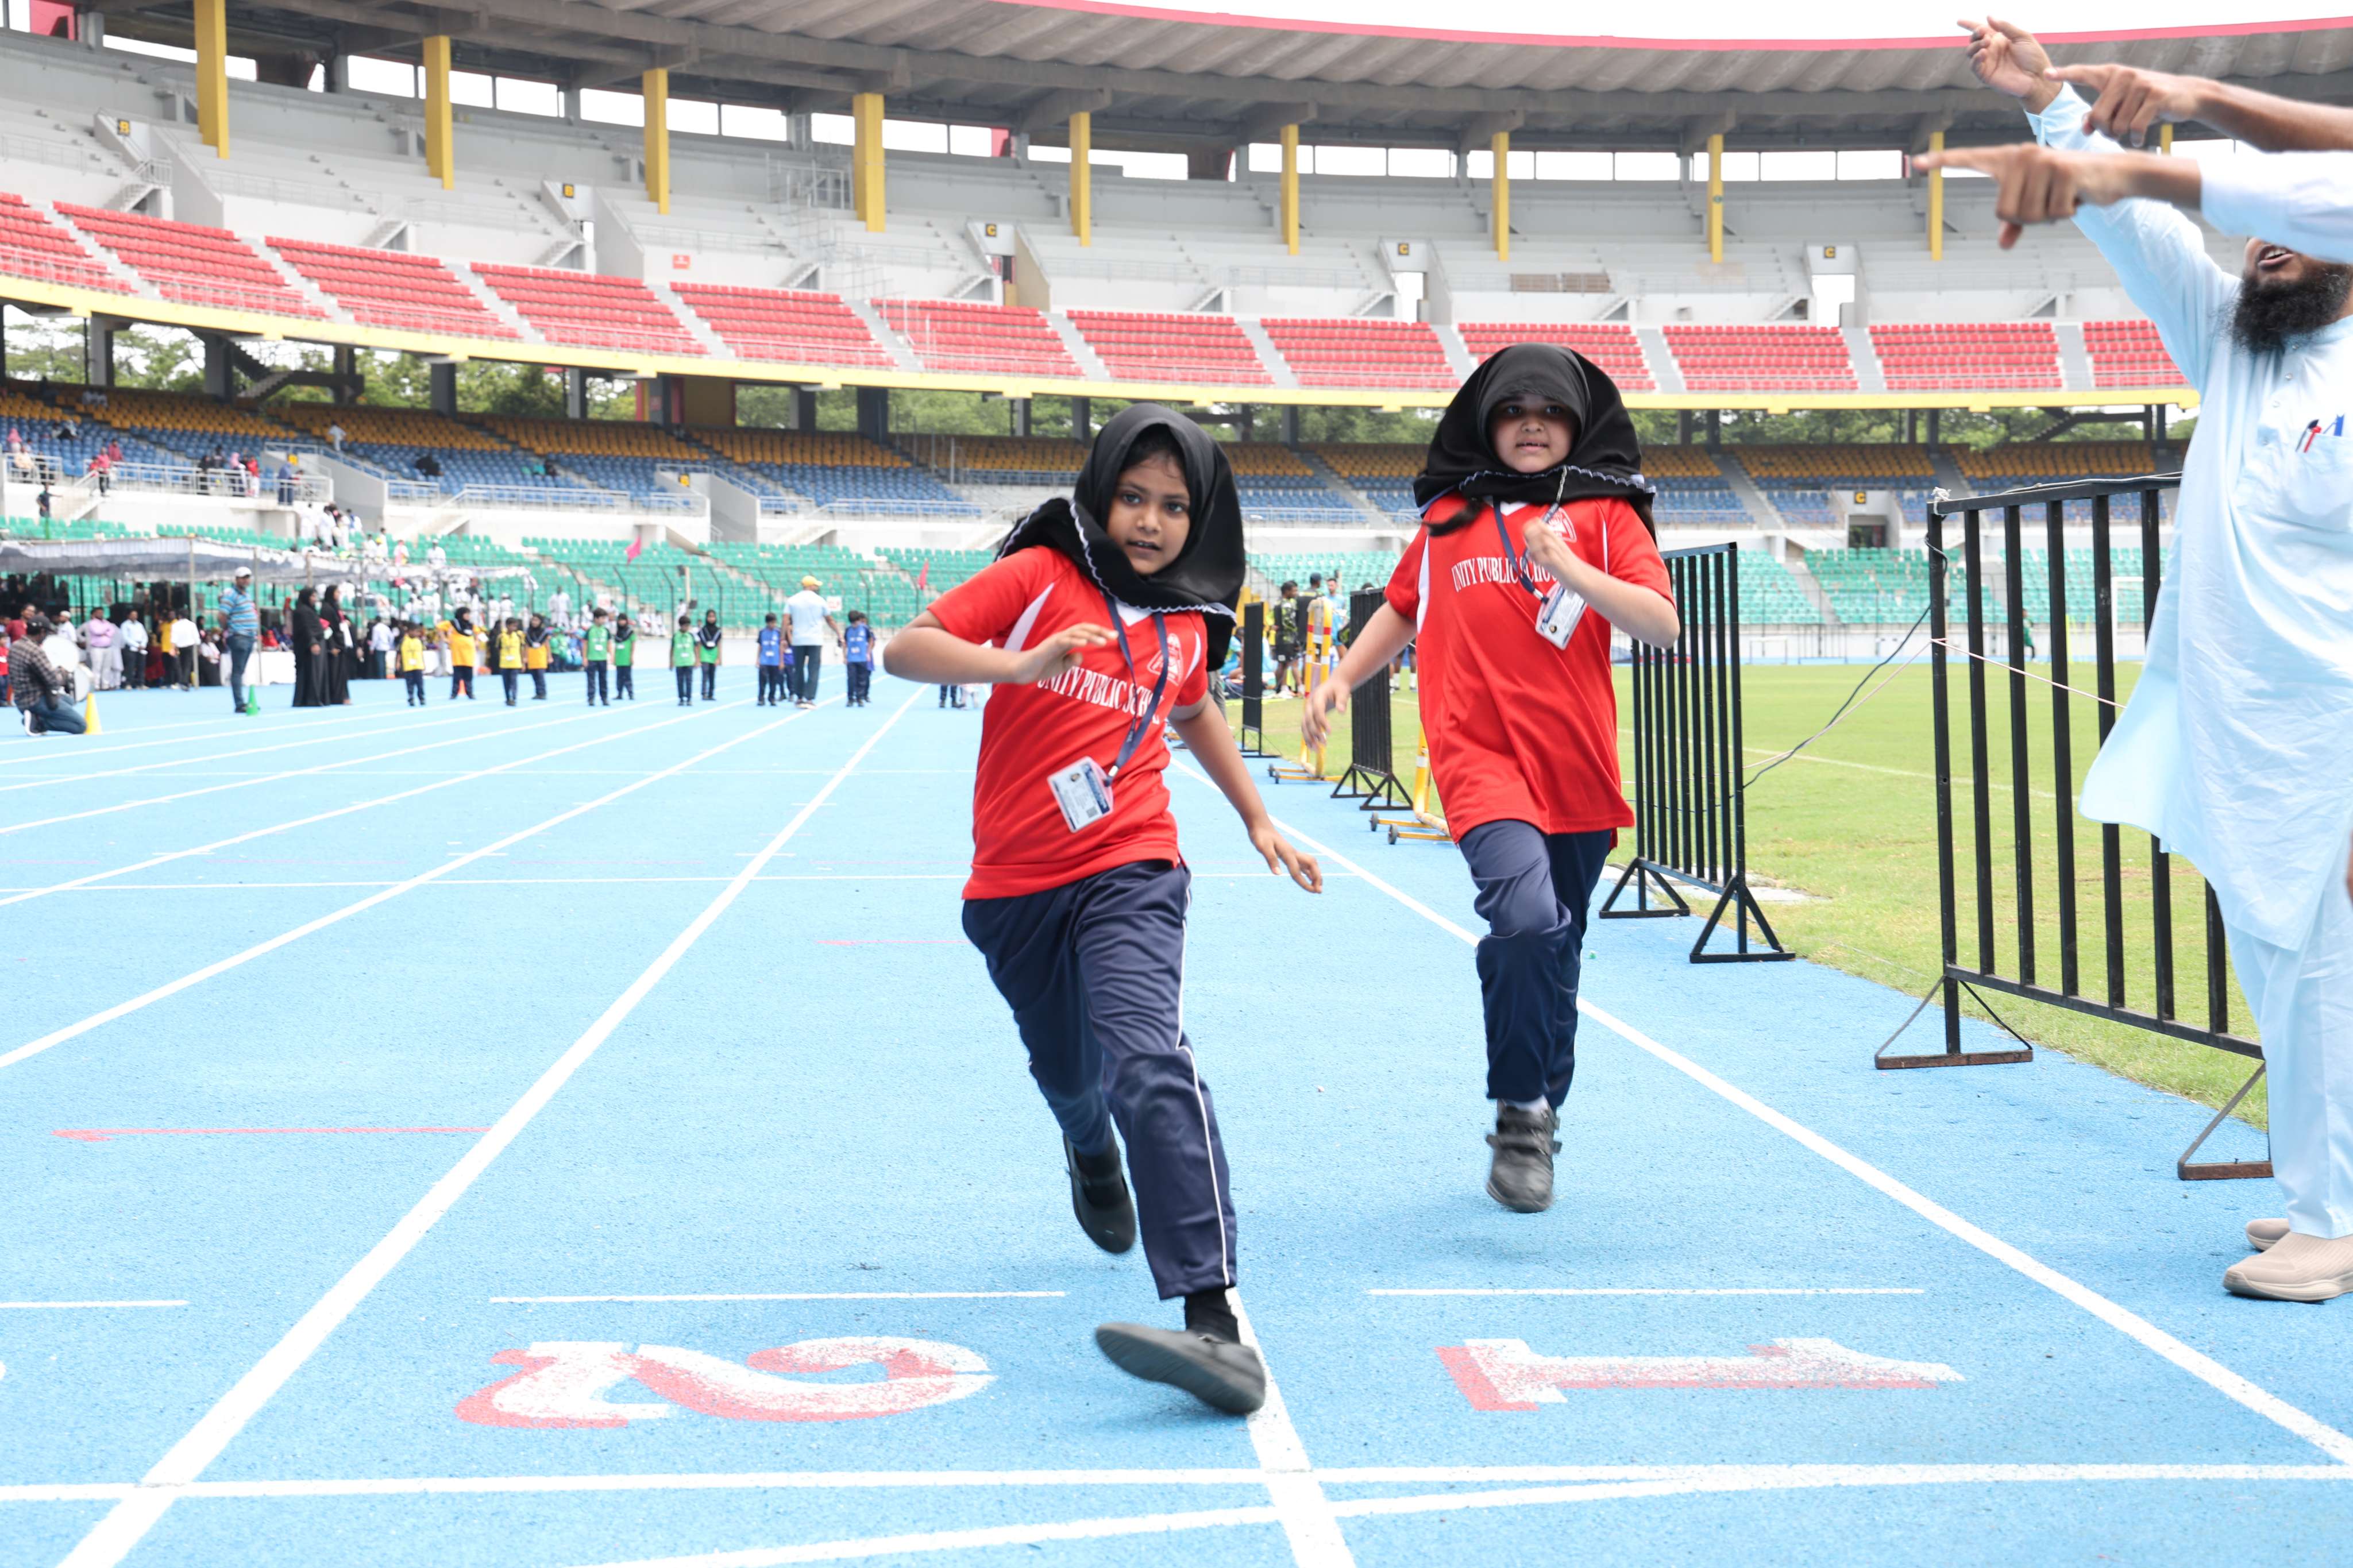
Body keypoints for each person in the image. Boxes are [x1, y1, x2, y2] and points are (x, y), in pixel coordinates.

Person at [1932, 18, 2353, 1304]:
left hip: (2333, 735)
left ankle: (2337, 1218)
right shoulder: (2234, 341)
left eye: (2290, 227)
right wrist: (2048, 103)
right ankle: (2315, 1192)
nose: (2262, 247)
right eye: (2253, 230)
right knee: (2279, 963)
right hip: (2239, 728)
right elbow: (2141, 231)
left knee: (2323, 970)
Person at [882, 404, 1322, 1416]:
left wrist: (1257, 816)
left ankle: (1213, 1321)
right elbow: (909, 648)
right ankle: (1088, 1146)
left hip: (1133, 865)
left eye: (1174, 505)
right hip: (1015, 887)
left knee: (1149, 1057)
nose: (1151, 521)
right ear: (1100, 496)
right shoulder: (1040, 576)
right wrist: (1016, 663)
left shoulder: (1187, 619)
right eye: (1133, 497)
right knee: (1073, 1079)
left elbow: (1194, 707)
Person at [1304, 343, 1680, 1214]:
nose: (1532, 425)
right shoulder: (1448, 517)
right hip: (1478, 760)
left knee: (1558, 952)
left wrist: (1570, 566)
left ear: (1578, 424)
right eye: (1514, 411)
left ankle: (1541, 1105)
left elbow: (1661, 625)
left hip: (1577, 768)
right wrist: (1340, 678)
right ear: (1486, 422)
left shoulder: (1608, 514)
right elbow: (1403, 608)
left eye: (1550, 412)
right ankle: (1518, 1113)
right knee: (1525, 920)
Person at [10, 613, 84, 736]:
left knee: (69, 701)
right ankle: (39, 722)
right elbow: (52, 680)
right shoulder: (35, 651)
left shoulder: (15, 646)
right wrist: (62, 674)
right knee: (80, 726)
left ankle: (35, 718)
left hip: (21, 700)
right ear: (42, 632)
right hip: (37, 700)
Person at [785, 574, 840, 709]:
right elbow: (829, 620)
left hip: (798, 640)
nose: (817, 588)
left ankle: (799, 697)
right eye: (816, 585)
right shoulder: (820, 600)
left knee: (798, 669)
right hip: (815, 640)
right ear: (811, 586)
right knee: (813, 670)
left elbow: (785, 620)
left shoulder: (793, 600)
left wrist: (782, 638)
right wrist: (839, 634)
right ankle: (809, 699)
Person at [219, 566, 260, 713]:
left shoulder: (246, 595)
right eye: (243, 578)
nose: (246, 580)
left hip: (249, 636)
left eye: (248, 577)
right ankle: (239, 703)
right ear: (237, 579)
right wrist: (229, 628)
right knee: (237, 671)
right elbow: (222, 615)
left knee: (240, 670)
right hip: (239, 635)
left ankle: (241, 702)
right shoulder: (231, 595)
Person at [288, 588, 325, 706]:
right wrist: (313, 642)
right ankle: (309, 699)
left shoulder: (310, 610)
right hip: (306, 647)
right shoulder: (302, 611)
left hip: (311, 645)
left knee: (313, 673)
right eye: (312, 596)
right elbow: (306, 628)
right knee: (308, 672)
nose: (315, 599)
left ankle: (310, 698)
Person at [1270, 582, 1303, 696]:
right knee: (1292, 663)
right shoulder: (1287, 605)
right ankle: (1298, 688)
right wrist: (1297, 635)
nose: (1296, 593)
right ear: (1287, 591)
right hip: (1288, 639)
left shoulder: (1277, 603)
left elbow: (1271, 620)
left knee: (1282, 664)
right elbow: (1289, 623)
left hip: (1280, 638)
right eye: (1294, 591)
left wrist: (1273, 626)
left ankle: (1281, 688)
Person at [320, 586, 352, 705]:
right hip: (334, 645)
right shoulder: (327, 609)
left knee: (341, 673)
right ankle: (336, 697)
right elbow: (328, 629)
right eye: (337, 592)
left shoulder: (335, 607)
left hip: (340, 643)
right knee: (334, 673)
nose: (339, 594)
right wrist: (332, 646)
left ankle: (342, 696)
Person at [842, 609, 874, 706]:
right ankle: (850, 699)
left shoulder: (865, 629)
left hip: (862, 658)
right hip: (851, 659)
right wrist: (844, 656)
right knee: (851, 679)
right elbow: (845, 643)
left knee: (862, 679)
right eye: (853, 623)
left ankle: (860, 698)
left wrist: (868, 653)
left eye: (856, 622)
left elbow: (871, 640)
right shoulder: (848, 630)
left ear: (859, 620)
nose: (855, 625)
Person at [755, 612, 786, 707]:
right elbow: (760, 646)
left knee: (774, 681)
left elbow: (781, 647)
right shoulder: (762, 632)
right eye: (771, 623)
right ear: (767, 623)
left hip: (775, 661)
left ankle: (772, 698)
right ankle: (761, 698)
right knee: (762, 681)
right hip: (764, 661)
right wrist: (758, 659)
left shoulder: (778, 632)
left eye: (774, 623)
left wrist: (781, 661)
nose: (773, 625)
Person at [82, 610, 118, 693]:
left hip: (108, 648)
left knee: (107, 667)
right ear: (94, 614)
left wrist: (104, 632)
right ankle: (96, 685)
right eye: (98, 613)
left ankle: (105, 685)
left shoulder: (106, 622)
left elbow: (112, 632)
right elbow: (97, 632)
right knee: (97, 667)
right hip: (97, 648)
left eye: (102, 613)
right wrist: (106, 630)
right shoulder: (92, 623)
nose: (101, 614)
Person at [446, 608, 477, 701]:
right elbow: (440, 627)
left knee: (469, 676)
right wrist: (445, 639)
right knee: (457, 676)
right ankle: (454, 693)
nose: (468, 616)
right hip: (458, 656)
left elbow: (478, 632)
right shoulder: (454, 623)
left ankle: (470, 693)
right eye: (466, 614)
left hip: (469, 656)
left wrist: (477, 641)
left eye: (469, 614)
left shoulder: (471, 625)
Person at [584, 608, 612, 706]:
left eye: (605, 618)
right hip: (592, 658)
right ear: (596, 619)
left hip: (603, 659)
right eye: (602, 618)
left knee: (603, 679)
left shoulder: (606, 631)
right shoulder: (590, 631)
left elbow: (609, 644)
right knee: (591, 680)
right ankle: (591, 698)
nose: (604, 620)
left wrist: (611, 655)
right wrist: (585, 658)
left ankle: (604, 698)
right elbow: (585, 645)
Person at [117, 605, 148, 692]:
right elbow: (126, 638)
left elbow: (144, 636)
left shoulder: (140, 625)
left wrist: (143, 644)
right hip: (131, 647)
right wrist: (137, 646)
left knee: (141, 666)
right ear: (129, 616)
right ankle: (128, 683)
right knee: (130, 666)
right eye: (133, 615)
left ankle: (141, 683)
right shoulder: (125, 625)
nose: (135, 616)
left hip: (141, 647)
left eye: (136, 615)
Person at [170, 604, 199, 691]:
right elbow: (196, 637)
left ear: (179, 616)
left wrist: (173, 648)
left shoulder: (175, 625)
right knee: (187, 665)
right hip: (189, 646)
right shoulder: (192, 625)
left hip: (180, 647)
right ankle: (185, 682)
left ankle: (183, 681)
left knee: (181, 665)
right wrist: (198, 646)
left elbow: (174, 638)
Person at [695, 608, 723, 701]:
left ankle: (711, 694)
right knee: (705, 674)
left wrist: (719, 658)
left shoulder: (718, 631)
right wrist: (698, 659)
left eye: (713, 617)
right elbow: (699, 645)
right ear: (707, 618)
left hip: (714, 655)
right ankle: (704, 693)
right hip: (704, 655)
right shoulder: (703, 630)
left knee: (712, 675)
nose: (711, 619)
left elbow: (719, 645)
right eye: (710, 617)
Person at [496, 616, 524, 706]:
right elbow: (498, 649)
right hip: (504, 663)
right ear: (508, 626)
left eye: (516, 626)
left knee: (513, 681)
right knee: (506, 682)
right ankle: (508, 698)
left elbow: (522, 649)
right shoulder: (501, 636)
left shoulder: (519, 636)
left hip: (515, 663)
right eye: (513, 626)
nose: (514, 628)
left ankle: (513, 697)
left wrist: (523, 662)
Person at [399, 620, 427, 706]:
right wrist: (398, 663)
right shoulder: (403, 641)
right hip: (408, 667)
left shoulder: (419, 641)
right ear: (410, 631)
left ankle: (422, 698)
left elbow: (421, 653)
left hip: (418, 666)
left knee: (420, 684)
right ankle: (411, 698)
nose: (417, 633)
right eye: (415, 631)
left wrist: (424, 664)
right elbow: (399, 652)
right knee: (410, 684)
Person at [672, 612, 697, 707]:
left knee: (689, 681)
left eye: (688, 626)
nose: (687, 628)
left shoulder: (691, 636)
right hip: (679, 662)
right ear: (681, 626)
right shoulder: (676, 636)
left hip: (689, 662)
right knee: (680, 682)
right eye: (686, 626)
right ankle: (681, 698)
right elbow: (672, 649)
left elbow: (695, 648)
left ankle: (689, 698)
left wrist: (697, 660)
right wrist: (671, 662)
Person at [524, 612, 551, 701]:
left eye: (536, 620)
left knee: (540, 676)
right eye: (533, 620)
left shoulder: (544, 632)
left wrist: (549, 656)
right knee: (534, 676)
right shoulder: (528, 632)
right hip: (532, 655)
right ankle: (537, 693)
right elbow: (526, 645)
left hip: (540, 656)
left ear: (540, 622)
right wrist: (525, 657)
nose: (534, 622)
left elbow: (547, 645)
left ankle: (543, 692)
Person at [612, 612, 637, 701]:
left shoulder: (630, 632)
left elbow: (633, 645)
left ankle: (630, 693)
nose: (621, 622)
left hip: (627, 658)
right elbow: (615, 646)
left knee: (628, 677)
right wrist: (614, 658)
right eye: (620, 620)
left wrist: (631, 657)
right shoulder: (617, 633)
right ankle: (619, 694)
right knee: (619, 678)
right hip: (619, 659)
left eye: (623, 620)